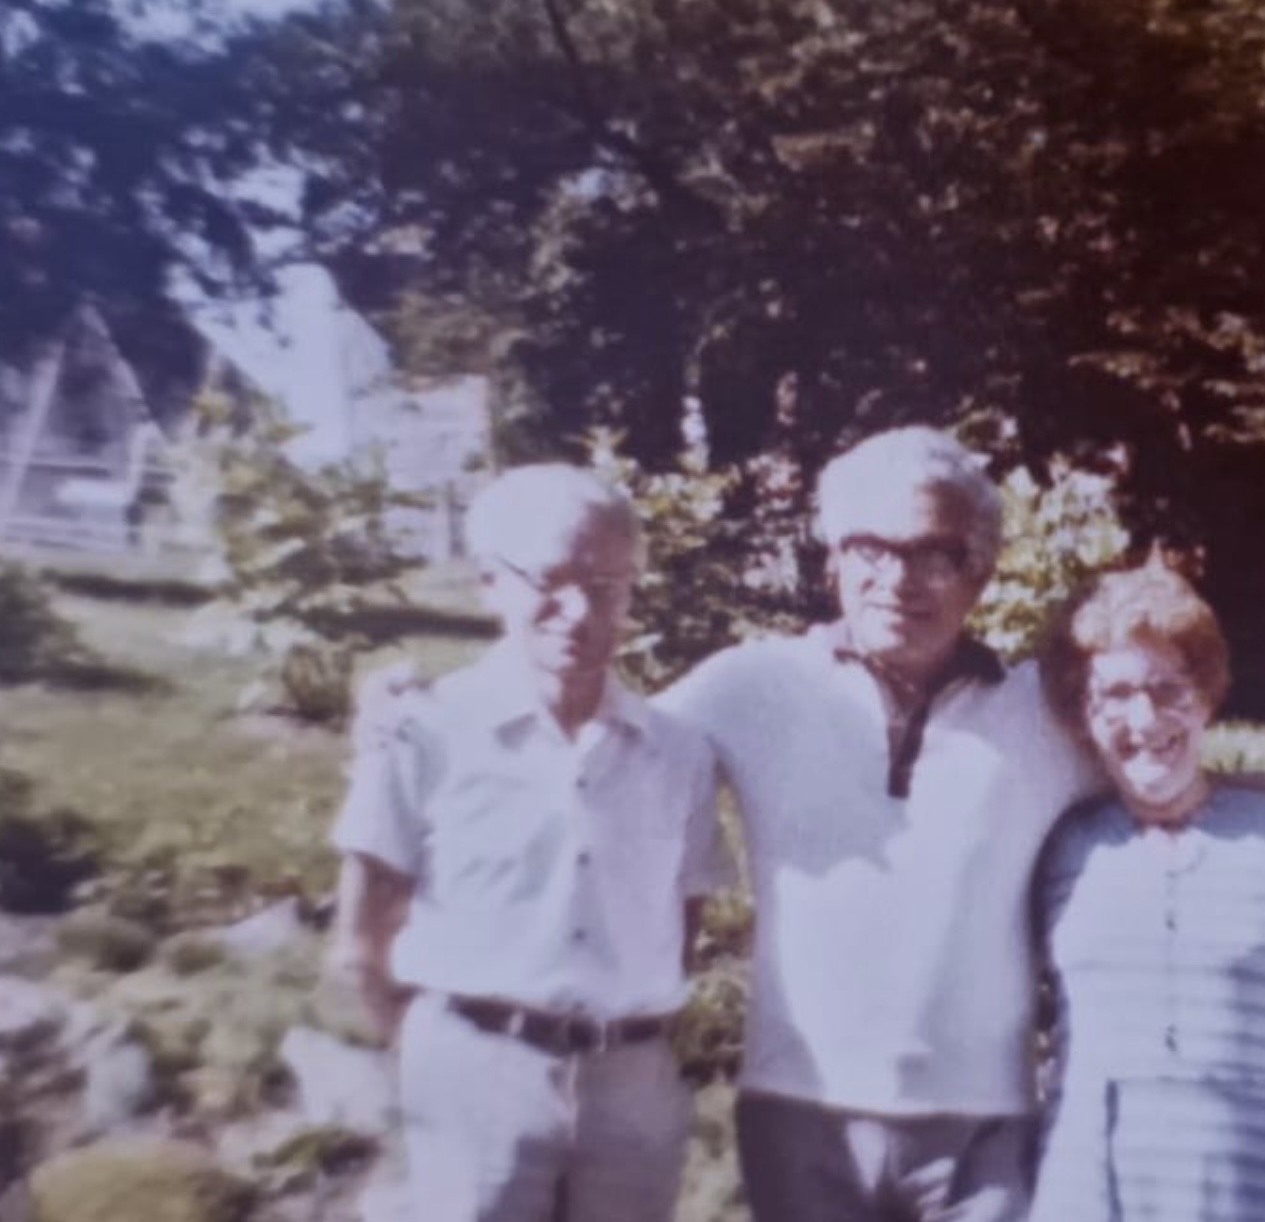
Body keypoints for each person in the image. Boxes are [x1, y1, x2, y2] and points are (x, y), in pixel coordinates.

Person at [655, 426, 1103, 1222]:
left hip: (984, 1128)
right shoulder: (754, 686)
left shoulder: (1041, 713)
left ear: (983, 571)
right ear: (833, 560)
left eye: (937, 552)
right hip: (801, 1111)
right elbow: (604, 751)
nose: (899, 579)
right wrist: (420, 729)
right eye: (871, 548)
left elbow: (1191, 783)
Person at [326, 464, 729, 1222]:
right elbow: (361, 939)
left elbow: (686, 923)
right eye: (552, 580)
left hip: (631, 1087)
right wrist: (432, 1061)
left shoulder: (676, 753)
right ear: (489, 583)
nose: (578, 611)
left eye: (608, 587)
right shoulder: (424, 731)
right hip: (476, 1072)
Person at [1027, 562, 1265, 1222]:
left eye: (1169, 688)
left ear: (1208, 695)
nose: (1146, 716)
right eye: (1115, 694)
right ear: (1083, 710)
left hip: (1258, 1185)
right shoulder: (1056, 849)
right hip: (1087, 1189)